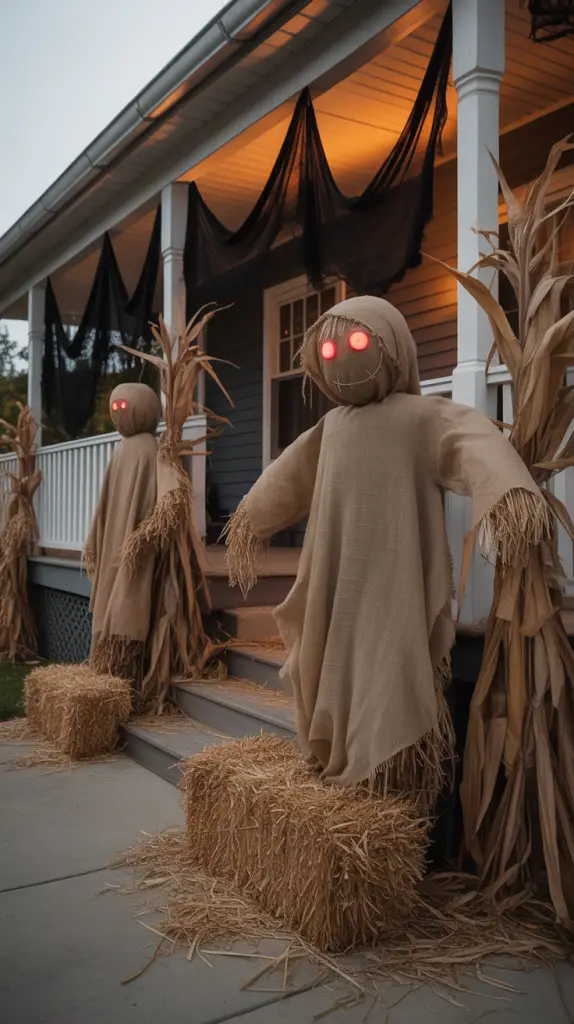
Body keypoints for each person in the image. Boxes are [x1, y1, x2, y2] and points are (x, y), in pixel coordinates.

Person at [224, 296, 548, 810]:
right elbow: (288, 476)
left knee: (391, 659)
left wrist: (507, 496)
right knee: (329, 658)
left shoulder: (419, 419)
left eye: (356, 342)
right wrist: (249, 520)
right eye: (327, 350)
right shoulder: (331, 428)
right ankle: (340, 755)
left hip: (394, 571)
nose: (339, 357)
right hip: (335, 575)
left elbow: (473, 442)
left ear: (392, 347)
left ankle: (389, 779)